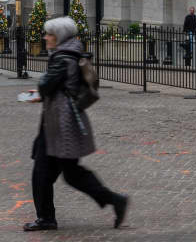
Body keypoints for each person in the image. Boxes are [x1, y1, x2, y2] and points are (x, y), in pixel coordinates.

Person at [23, 17, 129, 232]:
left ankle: (113, 200)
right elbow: (58, 87)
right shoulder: (72, 52)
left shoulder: (62, 58)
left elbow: (46, 84)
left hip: (60, 123)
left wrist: (41, 90)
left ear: (59, 36)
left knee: (59, 173)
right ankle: (48, 217)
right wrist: (44, 93)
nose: (45, 38)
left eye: (49, 34)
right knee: (54, 172)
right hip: (60, 121)